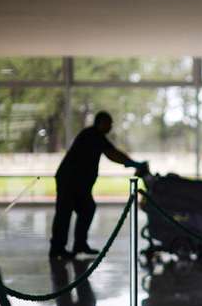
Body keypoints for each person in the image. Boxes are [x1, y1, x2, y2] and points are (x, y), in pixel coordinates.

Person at [49, 111, 146, 259]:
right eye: (108, 123)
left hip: (78, 183)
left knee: (87, 209)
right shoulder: (92, 135)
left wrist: (131, 163)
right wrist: (133, 163)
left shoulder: (95, 135)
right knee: (64, 213)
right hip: (69, 181)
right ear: (100, 123)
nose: (110, 126)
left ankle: (79, 244)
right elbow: (112, 154)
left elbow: (112, 153)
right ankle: (57, 249)